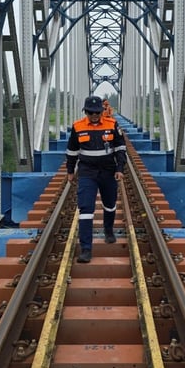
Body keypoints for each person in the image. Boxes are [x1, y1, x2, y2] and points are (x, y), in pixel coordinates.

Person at [66, 95, 126, 263]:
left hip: (108, 171)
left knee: (110, 204)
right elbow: (71, 151)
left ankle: (108, 230)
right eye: (90, 112)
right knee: (85, 209)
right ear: (86, 112)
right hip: (87, 172)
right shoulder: (77, 127)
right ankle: (86, 248)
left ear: (101, 111)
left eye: (97, 112)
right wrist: (70, 171)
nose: (94, 115)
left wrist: (120, 169)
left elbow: (121, 148)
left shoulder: (112, 124)